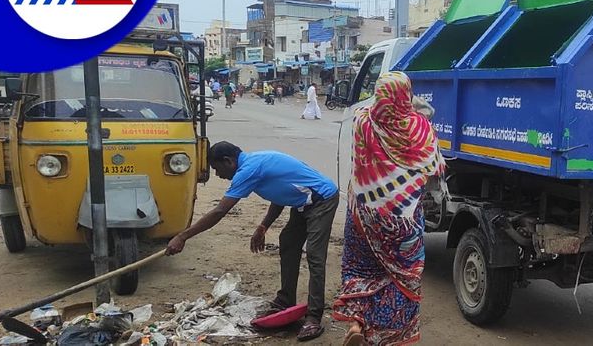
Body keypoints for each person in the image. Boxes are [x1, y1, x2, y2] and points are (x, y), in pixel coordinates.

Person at [166, 142, 339, 342]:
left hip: (322, 199)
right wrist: (263, 226)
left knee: (315, 255)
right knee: (288, 243)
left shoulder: (248, 170)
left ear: (228, 161)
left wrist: (182, 236)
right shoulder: (256, 162)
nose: (218, 175)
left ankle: (314, 317)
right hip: (302, 202)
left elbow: (220, 211)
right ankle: (285, 300)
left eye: (217, 169)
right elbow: (280, 193)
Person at [333, 72, 446, 346]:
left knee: (359, 270)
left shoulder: (362, 120)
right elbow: (433, 171)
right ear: (406, 95)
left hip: (362, 215)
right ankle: (388, 336)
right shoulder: (420, 127)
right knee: (401, 277)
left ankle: (358, 322)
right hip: (402, 222)